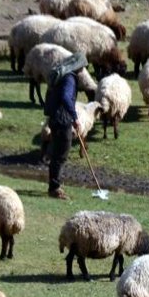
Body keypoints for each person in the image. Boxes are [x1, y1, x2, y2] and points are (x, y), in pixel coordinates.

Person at [41, 52, 86, 200]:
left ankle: (54, 185)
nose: (82, 71)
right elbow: (66, 97)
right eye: (82, 67)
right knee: (61, 154)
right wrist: (75, 118)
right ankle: (55, 188)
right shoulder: (69, 78)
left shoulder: (61, 76)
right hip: (63, 119)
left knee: (57, 154)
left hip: (55, 118)